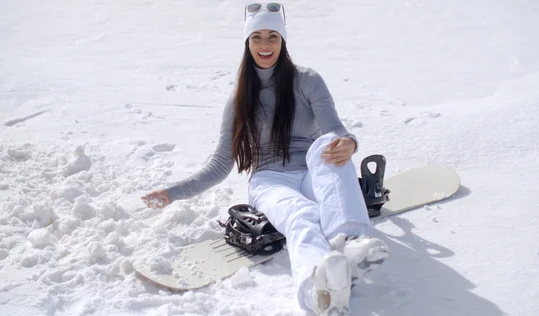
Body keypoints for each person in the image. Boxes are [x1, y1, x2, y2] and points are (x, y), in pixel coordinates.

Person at [142, 3, 389, 315]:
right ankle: (317, 289)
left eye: (273, 36)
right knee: (301, 215)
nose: (265, 44)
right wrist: (170, 193)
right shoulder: (239, 100)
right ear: (247, 43)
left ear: (283, 41)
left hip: (314, 170)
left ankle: (350, 242)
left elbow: (335, 131)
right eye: (256, 37)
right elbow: (220, 164)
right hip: (270, 180)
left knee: (328, 144)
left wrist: (349, 143)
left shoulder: (308, 80)